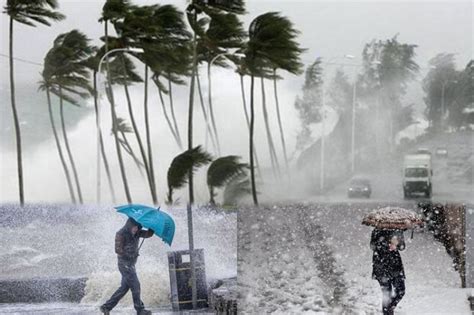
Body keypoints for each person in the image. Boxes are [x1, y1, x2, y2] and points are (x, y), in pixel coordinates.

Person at [100, 218, 154, 315]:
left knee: (124, 288)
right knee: (136, 285)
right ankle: (140, 310)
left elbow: (148, 234)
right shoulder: (120, 233)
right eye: (134, 227)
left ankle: (106, 307)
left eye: (137, 227)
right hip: (124, 264)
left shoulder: (138, 232)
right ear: (129, 225)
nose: (136, 229)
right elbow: (118, 250)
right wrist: (129, 254)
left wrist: (152, 227)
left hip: (131, 264)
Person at [370, 228, 406, 315]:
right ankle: (388, 312)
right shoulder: (377, 230)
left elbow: (402, 246)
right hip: (381, 266)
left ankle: (389, 309)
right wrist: (387, 245)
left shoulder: (397, 230)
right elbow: (373, 246)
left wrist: (397, 244)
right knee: (387, 293)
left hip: (396, 266)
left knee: (401, 291)